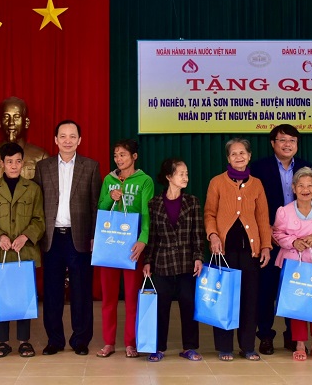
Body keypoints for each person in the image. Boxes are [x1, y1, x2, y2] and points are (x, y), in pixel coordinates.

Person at [33, 120, 102, 356]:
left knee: (81, 291)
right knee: (52, 291)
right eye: (63, 136)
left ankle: (80, 339)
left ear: (79, 140)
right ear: (56, 140)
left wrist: (94, 235)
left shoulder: (90, 166)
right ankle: (54, 340)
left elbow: (95, 205)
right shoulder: (43, 167)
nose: (67, 140)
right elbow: (37, 204)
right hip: (52, 237)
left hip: (79, 236)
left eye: (72, 136)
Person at [204, 138, 271, 362]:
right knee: (224, 298)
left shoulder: (257, 184)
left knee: (249, 300)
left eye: (242, 153)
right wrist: (213, 235)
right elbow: (209, 213)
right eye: (234, 154)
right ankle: (225, 347)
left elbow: (263, 218)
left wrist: (265, 246)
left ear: (249, 156)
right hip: (224, 252)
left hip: (250, 253)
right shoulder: (217, 182)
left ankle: (248, 346)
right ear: (228, 158)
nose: (239, 157)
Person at [249, 123, 312, 354]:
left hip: (298, 241)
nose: (288, 144)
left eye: (292, 141)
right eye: (283, 140)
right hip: (269, 238)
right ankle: (265, 336)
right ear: (273, 143)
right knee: (266, 290)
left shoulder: (306, 166)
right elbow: (251, 202)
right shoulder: (259, 168)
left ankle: (292, 336)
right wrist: (266, 230)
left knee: (294, 287)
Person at [96, 139, 154, 358]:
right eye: (116, 155)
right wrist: (109, 197)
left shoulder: (144, 180)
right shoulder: (108, 180)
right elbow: (100, 209)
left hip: (132, 246)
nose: (118, 159)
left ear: (134, 157)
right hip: (110, 244)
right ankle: (108, 342)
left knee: (132, 297)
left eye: (123, 155)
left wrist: (143, 239)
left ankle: (131, 342)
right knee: (108, 297)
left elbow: (147, 213)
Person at [143, 158, 204, 362]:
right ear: (169, 176)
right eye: (181, 174)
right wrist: (147, 261)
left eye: (186, 174)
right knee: (161, 306)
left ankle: (190, 347)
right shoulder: (154, 204)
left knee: (188, 304)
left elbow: (198, 233)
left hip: (187, 262)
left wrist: (198, 257)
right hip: (162, 262)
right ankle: (158, 347)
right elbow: (152, 236)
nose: (185, 177)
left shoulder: (192, 201)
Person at [0, 142, 46, 358]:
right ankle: (2, 342)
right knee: (1, 296)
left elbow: (40, 220)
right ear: (1, 164)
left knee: (24, 296)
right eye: (9, 161)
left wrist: (25, 236)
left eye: (18, 161)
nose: (14, 165)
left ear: (23, 163)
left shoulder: (33, 189)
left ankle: (24, 341)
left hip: (25, 251)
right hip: (1, 251)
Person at [272, 167, 312, 362]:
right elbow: (277, 234)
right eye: (301, 185)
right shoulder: (284, 211)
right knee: (296, 304)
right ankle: (299, 344)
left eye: (309, 186)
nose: (305, 189)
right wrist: (293, 242)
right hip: (294, 265)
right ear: (293, 188)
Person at [0, 96, 49, 181]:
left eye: (16, 117)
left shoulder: (41, 157)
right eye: (6, 117)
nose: (11, 123)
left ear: (26, 123)